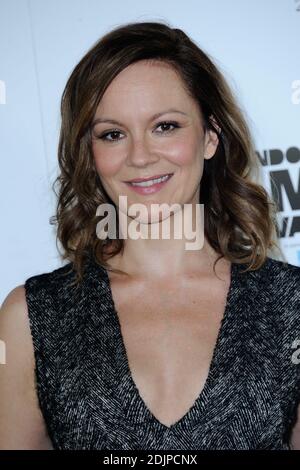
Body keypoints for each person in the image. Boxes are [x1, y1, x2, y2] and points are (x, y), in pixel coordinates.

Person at [0, 21, 300, 451]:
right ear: (90, 152)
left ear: (211, 136)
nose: (140, 156)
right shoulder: (29, 319)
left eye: (165, 126)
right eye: (113, 134)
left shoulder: (290, 304)